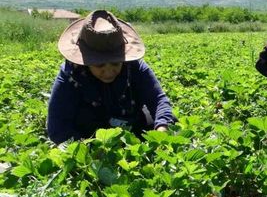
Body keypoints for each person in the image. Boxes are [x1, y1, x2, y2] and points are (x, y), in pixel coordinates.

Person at [47, 10, 176, 144]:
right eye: (99, 65)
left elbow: (158, 99)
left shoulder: (134, 66)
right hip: (89, 135)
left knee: (168, 120)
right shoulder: (71, 75)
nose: (108, 72)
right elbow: (57, 128)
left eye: (115, 63)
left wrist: (161, 130)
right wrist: (91, 151)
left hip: (130, 125)